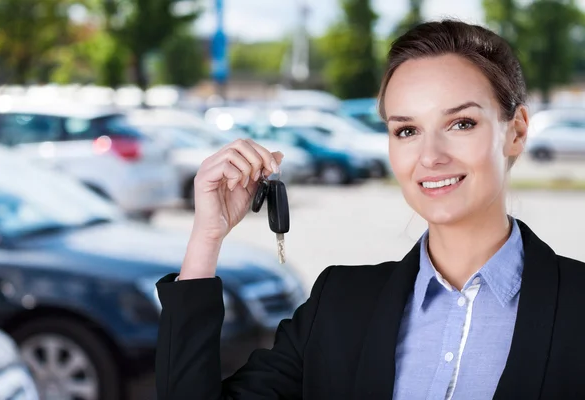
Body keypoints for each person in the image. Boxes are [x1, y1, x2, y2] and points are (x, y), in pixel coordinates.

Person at [155, 20, 585, 400]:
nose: (430, 155)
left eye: (461, 124)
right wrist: (206, 238)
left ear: (517, 132)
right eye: (407, 130)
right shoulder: (338, 305)